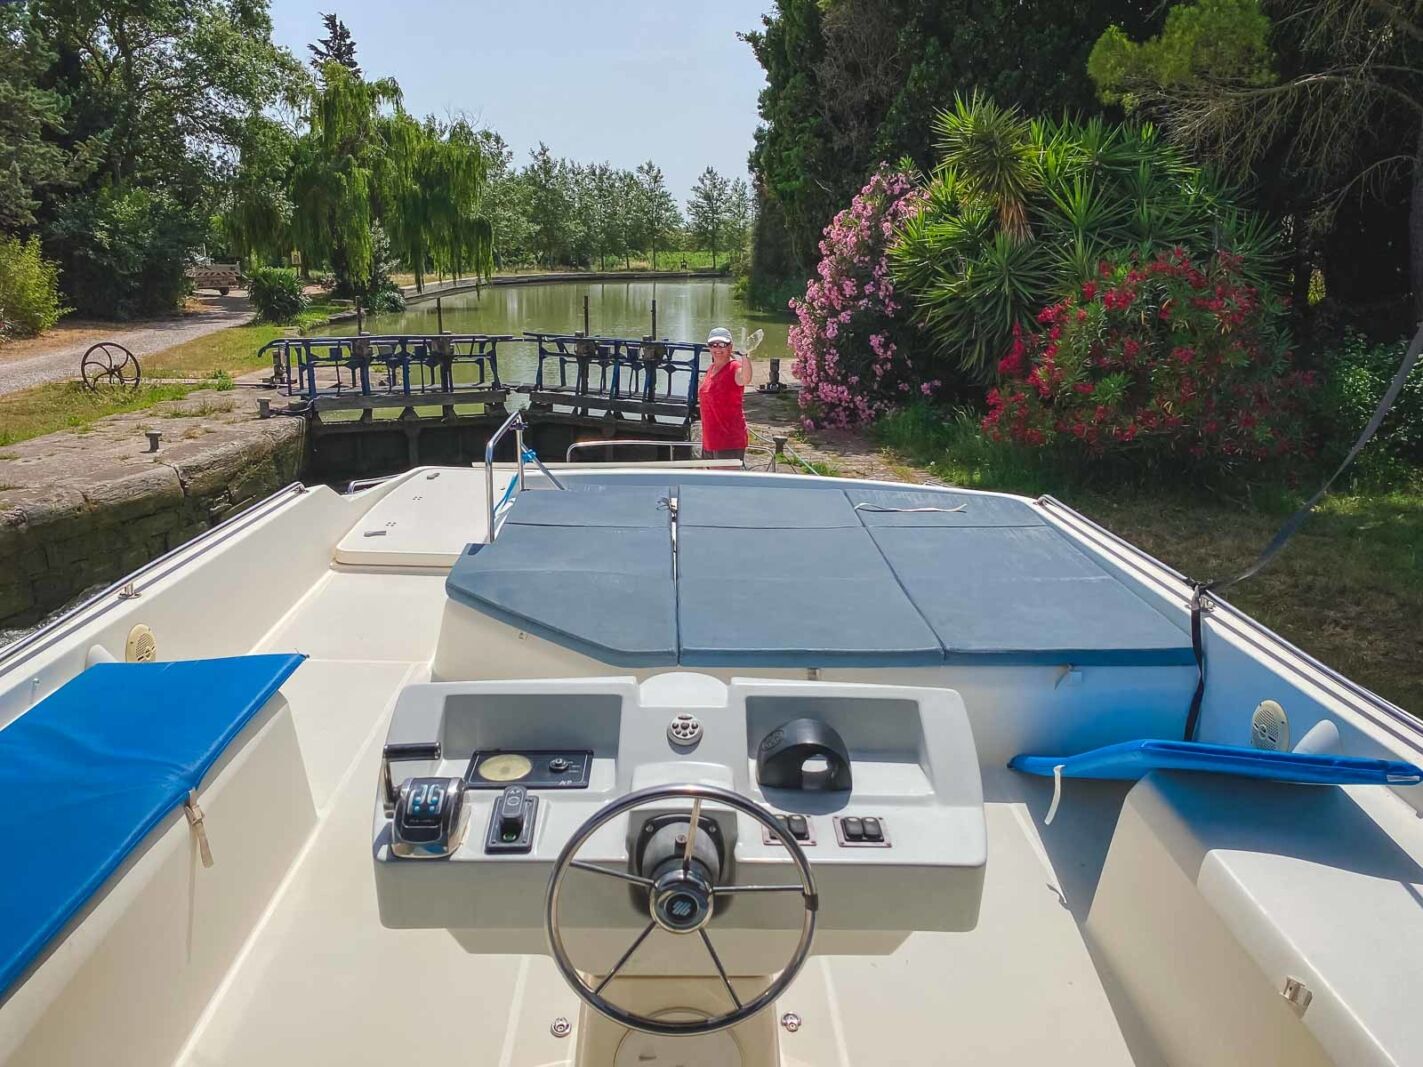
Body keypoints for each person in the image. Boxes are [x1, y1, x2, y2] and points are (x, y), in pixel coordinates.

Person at [698, 326, 753, 460]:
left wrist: (745, 355)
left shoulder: (735, 368)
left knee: (724, 481)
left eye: (722, 344)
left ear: (730, 346)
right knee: (708, 481)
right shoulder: (710, 369)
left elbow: (745, 378)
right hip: (709, 441)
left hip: (728, 442)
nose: (717, 349)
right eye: (713, 345)